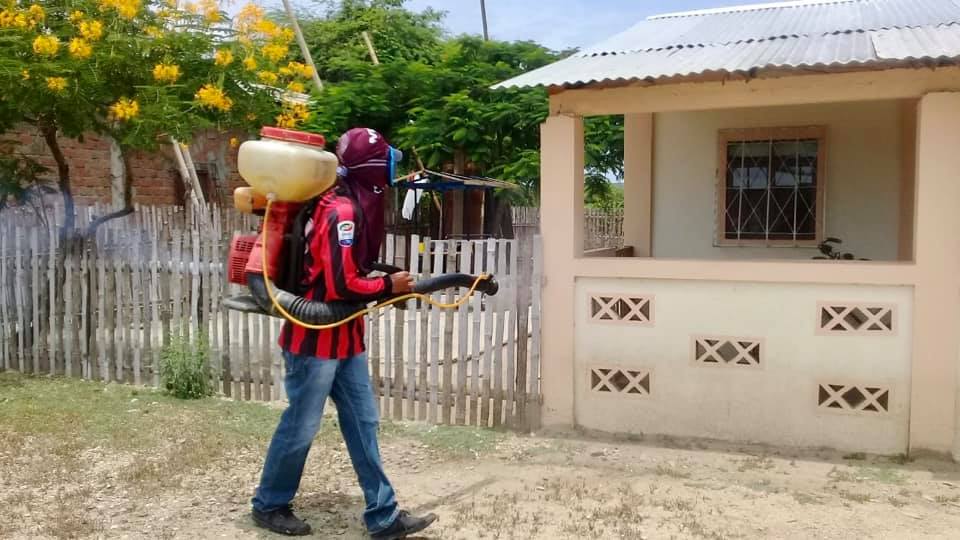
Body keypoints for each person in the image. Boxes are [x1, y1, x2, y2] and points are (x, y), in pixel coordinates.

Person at [251, 127, 437, 539]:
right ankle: (269, 504)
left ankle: (383, 516)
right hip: (313, 341)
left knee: (363, 422)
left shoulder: (349, 203)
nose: (392, 168)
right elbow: (340, 285)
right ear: (374, 167)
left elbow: (352, 271)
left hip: (346, 338)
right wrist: (389, 286)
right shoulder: (342, 212)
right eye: (386, 160)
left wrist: (385, 281)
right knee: (301, 426)